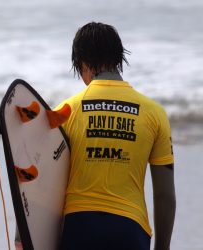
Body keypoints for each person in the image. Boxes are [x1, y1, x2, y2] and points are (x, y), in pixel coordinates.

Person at [55, 22, 176, 250]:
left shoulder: (65, 111)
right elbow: (164, 195)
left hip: (78, 228)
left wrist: (23, 236)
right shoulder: (154, 113)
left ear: (81, 63)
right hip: (130, 230)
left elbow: (41, 182)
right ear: (119, 58)